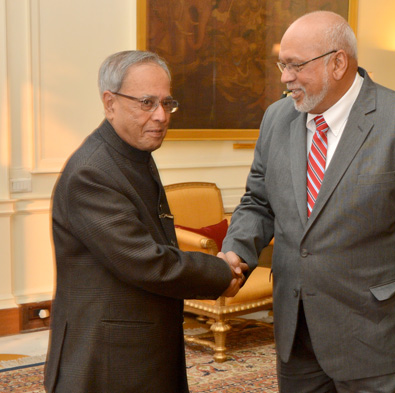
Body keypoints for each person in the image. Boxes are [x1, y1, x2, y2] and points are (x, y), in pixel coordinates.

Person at [220, 10, 395, 393]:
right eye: (282, 65)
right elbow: (258, 202)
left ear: (338, 63)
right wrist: (236, 252)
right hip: (296, 332)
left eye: (295, 65)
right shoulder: (276, 119)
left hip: (379, 338)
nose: (285, 77)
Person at [44, 50, 246, 393]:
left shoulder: (130, 152)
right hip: (108, 359)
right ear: (110, 103)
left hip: (136, 346)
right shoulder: (92, 172)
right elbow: (146, 262)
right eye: (147, 102)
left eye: (167, 103)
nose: (161, 116)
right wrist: (221, 272)